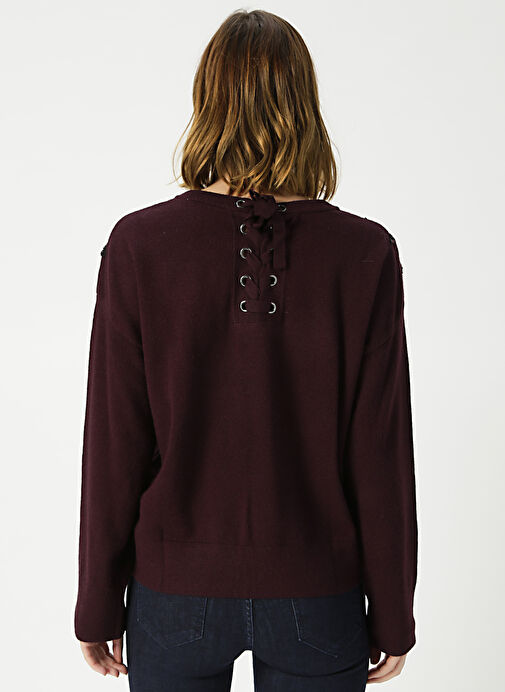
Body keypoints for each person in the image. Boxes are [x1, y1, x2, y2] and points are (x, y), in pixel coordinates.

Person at [74, 8, 418, 691]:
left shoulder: (141, 245)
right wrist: (392, 615)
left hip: (174, 594)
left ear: (207, 102)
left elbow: (115, 440)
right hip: (318, 595)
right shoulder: (363, 252)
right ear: (304, 104)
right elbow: (380, 452)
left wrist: (96, 603)